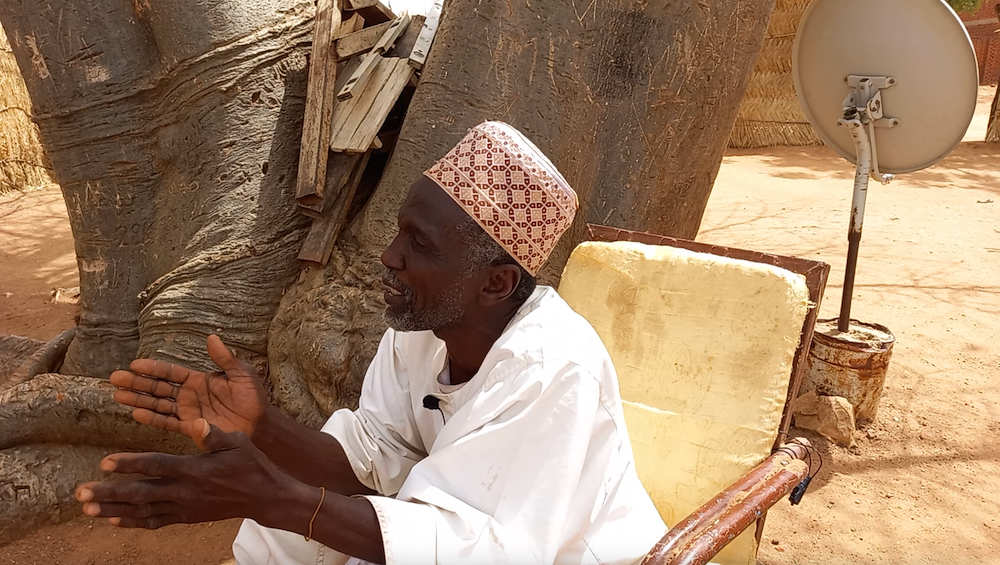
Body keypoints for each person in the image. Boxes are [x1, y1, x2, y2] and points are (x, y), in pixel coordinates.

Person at [75, 121, 667, 564]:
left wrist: (275, 495)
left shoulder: (551, 368)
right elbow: (374, 458)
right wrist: (266, 428)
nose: (390, 257)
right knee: (289, 521)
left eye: (420, 244)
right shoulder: (423, 328)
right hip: (460, 539)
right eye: (399, 231)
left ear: (497, 282)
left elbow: (484, 549)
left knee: (291, 508)